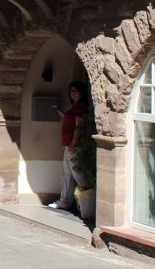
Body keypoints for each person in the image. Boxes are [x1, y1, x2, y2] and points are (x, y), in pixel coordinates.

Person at [48, 80, 90, 211]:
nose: (72, 93)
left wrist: (73, 144)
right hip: (68, 146)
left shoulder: (80, 108)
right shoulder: (75, 107)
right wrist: (65, 115)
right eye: (71, 91)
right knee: (67, 174)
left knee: (78, 174)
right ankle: (65, 200)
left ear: (81, 92)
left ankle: (88, 201)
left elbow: (79, 127)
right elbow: (72, 121)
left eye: (75, 91)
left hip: (74, 147)